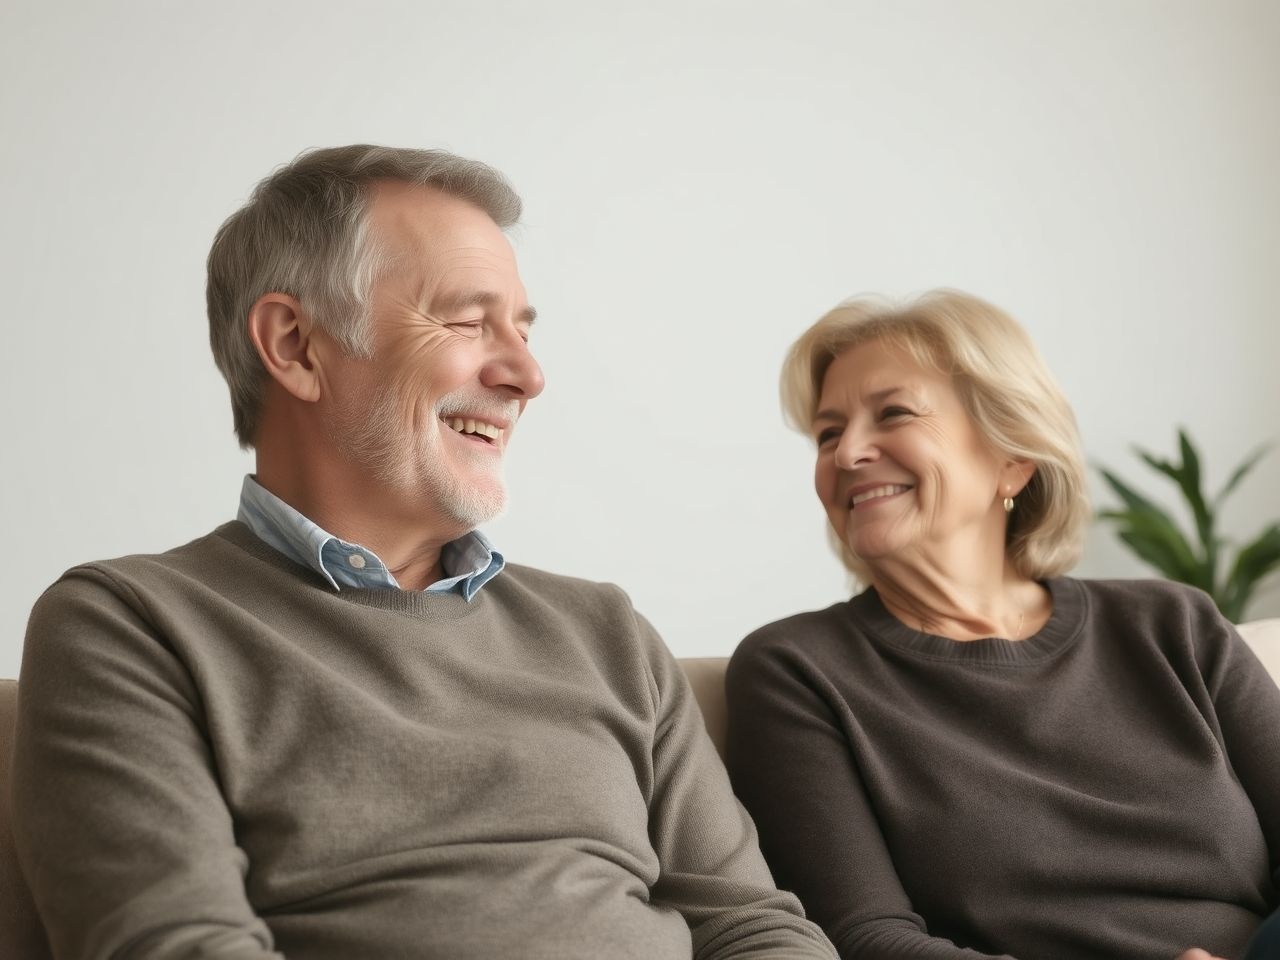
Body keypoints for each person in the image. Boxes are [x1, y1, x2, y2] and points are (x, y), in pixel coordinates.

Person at [12, 145, 836, 960]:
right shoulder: (129, 625)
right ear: (295, 345)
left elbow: (755, 929)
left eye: (522, 331)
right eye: (468, 322)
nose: (528, 375)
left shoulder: (606, 632)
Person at [724, 290, 1279, 960]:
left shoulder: (1175, 625)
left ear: (1012, 459)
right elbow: (867, 938)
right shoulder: (797, 669)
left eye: (893, 413)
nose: (847, 454)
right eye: (829, 433)